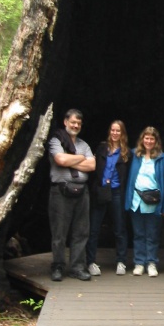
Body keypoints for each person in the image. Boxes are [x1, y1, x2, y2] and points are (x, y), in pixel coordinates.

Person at [48, 108, 96, 281]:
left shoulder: (84, 145)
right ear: (65, 122)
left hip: (82, 192)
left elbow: (92, 166)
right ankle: (58, 267)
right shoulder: (56, 141)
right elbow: (60, 160)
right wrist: (81, 158)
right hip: (60, 191)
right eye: (73, 122)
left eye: (78, 123)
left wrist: (71, 159)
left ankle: (77, 267)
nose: (75, 125)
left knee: (81, 231)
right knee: (59, 232)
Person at [86, 120, 132, 276]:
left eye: (118, 131)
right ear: (109, 131)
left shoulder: (127, 153)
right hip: (101, 190)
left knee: (120, 228)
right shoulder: (101, 148)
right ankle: (91, 261)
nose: (115, 133)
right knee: (94, 228)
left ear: (122, 133)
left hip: (117, 191)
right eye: (113, 130)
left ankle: (121, 261)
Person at [125, 126, 164, 277]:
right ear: (142, 139)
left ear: (156, 141)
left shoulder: (163, 159)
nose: (149, 141)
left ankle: (151, 262)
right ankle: (139, 262)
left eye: (152, 138)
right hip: (136, 201)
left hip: (154, 202)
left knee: (152, 234)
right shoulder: (134, 155)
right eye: (146, 138)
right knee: (138, 234)